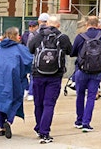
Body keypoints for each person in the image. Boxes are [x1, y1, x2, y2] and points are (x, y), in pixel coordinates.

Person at [27, 14, 72, 144]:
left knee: (38, 103)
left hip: (38, 74)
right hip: (55, 75)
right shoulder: (62, 37)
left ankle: (39, 127)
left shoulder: (38, 36)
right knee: (49, 104)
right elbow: (70, 50)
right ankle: (45, 131)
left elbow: (30, 49)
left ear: (47, 24)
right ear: (58, 25)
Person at [0, 26, 33, 139]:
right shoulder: (20, 48)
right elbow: (30, 62)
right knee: (15, 100)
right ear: (15, 35)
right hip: (15, 80)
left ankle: (1, 126)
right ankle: (8, 121)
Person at [71, 15, 101, 132]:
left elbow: (73, 52)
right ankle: (86, 123)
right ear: (97, 24)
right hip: (97, 71)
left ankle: (79, 120)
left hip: (82, 70)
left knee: (80, 95)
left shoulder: (80, 37)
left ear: (87, 25)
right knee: (91, 97)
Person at [20, 20, 40, 100]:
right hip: (25, 56)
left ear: (37, 26)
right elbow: (21, 44)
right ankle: (27, 89)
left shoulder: (39, 35)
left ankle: (31, 92)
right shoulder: (25, 35)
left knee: (32, 75)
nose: (31, 28)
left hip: (34, 56)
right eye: (30, 26)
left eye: (33, 26)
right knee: (23, 74)